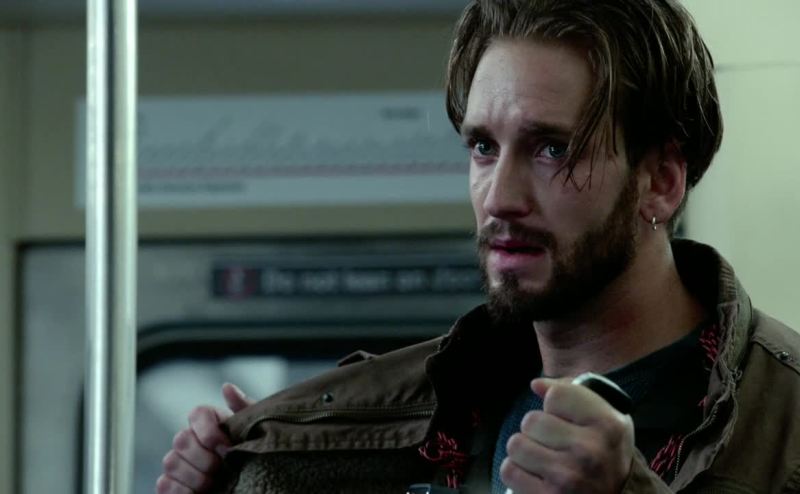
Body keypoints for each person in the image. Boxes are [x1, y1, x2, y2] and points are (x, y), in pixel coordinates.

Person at [156, 1, 800, 493]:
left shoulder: (785, 418)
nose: (500, 197)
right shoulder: (424, 410)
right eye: (484, 147)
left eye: (553, 149)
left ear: (660, 181)